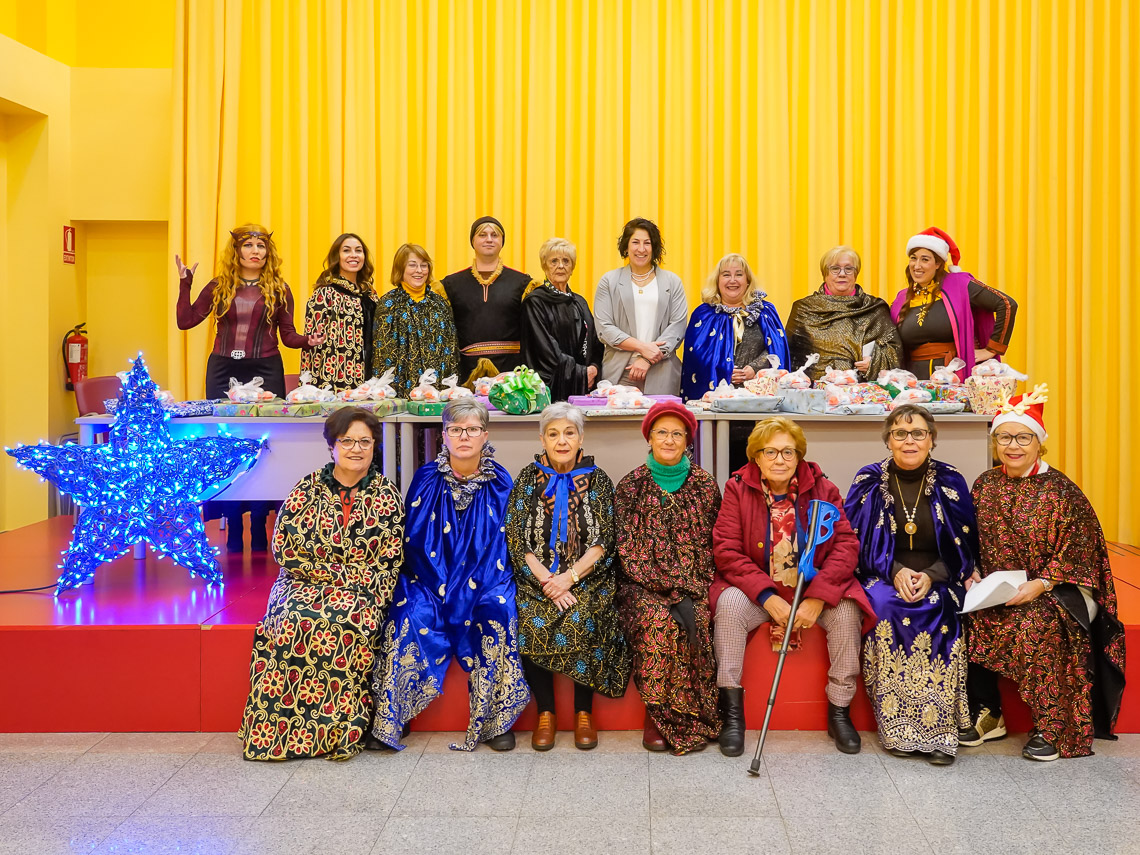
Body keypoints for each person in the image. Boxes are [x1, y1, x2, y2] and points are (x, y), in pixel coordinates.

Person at [964, 386, 1126, 760]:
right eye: (1004, 437)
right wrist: (971, 569)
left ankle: (1053, 727)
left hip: (1059, 588)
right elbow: (970, 537)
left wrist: (1041, 584)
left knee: (1034, 623)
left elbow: (1081, 550)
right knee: (965, 615)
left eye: (1023, 437)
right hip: (998, 586)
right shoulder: (985, 484)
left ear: (1039, 443)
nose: (1013, 446)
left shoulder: (1062, 491)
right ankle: (988, 713)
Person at [239, 407, 403, 761]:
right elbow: (284, 548)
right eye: (347, 441)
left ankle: (336, 734)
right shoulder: (307, 488)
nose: (356, 449)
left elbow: (389, 559)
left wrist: (338, 579)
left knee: (342, 622)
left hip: (364, 591)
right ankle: (276, 736)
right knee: (292, 621)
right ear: (332, 446)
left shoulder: (387, 494)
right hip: (301, 584)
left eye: (365, 442)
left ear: (374, 446)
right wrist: (335, 576)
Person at [371, 398, 530, 751]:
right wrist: (441, 583)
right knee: (409, 612)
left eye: (472, 429)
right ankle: (396, 714)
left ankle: (495, 721)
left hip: (486, 578)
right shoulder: (425, 478)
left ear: (485, 435)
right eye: (456, 429)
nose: (464, 436)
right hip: (429, 579)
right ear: (443, 435)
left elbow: (505, 543)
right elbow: (413, 540)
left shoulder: (502, 482)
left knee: (499, 609)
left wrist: (469, 585)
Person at [711, 416, 873, 756]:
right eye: (770, 452)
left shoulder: (824, 489)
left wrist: (818, 598)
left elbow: (845, 546)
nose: (780, 460)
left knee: (846, 612)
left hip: (813, 589)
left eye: (788, 452)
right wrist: (768, 597)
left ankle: (839, 712)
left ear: (799, 456)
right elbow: (727, 551)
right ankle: (732, 715)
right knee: (729, 606)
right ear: (756, 457)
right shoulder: (737, 488)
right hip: (759, 591)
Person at [844, 406, 980, 765]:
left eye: (918, 433)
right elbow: (854, 542)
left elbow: (965, 544)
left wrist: (932, 575)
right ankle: (898, 728)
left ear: (931, 439)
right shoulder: (868, 480)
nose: (909, 441)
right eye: (900, 433)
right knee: (887, 606)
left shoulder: (951, 480)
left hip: (940, 575)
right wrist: (896, 571)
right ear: (888, 440)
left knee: (940, 609)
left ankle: (940, 732)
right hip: (882, 573)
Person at [175, 224, 323, 552]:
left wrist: (308, 341)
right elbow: (185, 321)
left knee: (266, 444)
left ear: (268, 253)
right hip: (223, 369)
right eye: (248, 245)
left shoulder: (279, 289)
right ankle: (232, 523)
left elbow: (288, 336)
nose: (255, 251)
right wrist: (185, 283)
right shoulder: (218, 286)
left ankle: (258, 524)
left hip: (265, 368)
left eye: (261, 246)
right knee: (225, 443)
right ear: (237, 251)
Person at [505, 403, 630, 750]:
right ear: (542, 439)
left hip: (587, 577)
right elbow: (516, 537)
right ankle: (546, 712)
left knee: (584, 613)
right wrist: (548, 581)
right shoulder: (527, 479)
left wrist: (570, 578)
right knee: (529, 616)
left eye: (569, 433)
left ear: (581, 438)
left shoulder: (598, 479)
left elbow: (605, 540)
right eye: (554, 434)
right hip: (538, 579)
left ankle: (582, 713)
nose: (562, 441)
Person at [616, 401, 722, 754]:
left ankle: (692, 716)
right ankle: (657, 715)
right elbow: (626, 548)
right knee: (657, 620)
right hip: (642, 584)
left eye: (678, 433)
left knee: (696, 619)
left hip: (692, 582)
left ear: (688, 440)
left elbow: (712, 543)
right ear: (649, 437)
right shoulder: (631, 485)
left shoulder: (705, 485)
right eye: (661, 432)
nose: (669, 439)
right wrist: (665, 586)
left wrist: (687, 586)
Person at [890, 227, 1017, 380]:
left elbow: (1006, 304)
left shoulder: (959, 285)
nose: (917, 266)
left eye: (925, 259)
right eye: (913, 258)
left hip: (954, 378)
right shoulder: (901, 298)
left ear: (938, 263)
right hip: (913, 384)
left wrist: (991, 349)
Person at [593, 218, 688, 395]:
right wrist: (641, 347)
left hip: (661, 369)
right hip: (620, 371)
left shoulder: (672, 282)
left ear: (654, 247)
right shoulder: (609, 281)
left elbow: (678, 326)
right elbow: (604, 328)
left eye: (647, 243)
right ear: (626, 246)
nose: (641, 249)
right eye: (635, 242)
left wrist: (647, 358)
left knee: (661, 414)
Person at [784, 246, 902, 383]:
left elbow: (895, 350)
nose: (842, 274)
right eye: (835, 269)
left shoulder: (875, 308)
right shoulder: (804, 309)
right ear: (825, 274)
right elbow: (791, 356)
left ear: (856, 274)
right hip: (815, 391)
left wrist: (875, 362)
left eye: (848, 269)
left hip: (862, 391)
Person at [681, 253, 789, 401]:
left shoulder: (765, 311)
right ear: (717, 281)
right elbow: (696, 356)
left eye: (739, 274)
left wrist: (755, 368)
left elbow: (777, 347)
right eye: (726, 275)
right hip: (715, 398)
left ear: (748, 281)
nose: (732, 280)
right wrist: (723, 370)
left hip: (758, 397)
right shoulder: (703, 314)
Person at [442, 217, 535, 380]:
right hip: (466, 374)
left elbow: (531, 334)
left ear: (502, 241)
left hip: (511, 375)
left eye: (494, 235)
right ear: (473, 241)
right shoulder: (451, 285)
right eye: (482, 235)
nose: (489, 239)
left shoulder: (523, 284)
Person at [372, 243, 459, 398]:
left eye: (424, 265)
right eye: (412, 265)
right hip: (399, 391)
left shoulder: (440, 304)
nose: (419, 270)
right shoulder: (388, 304)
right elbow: (381, 354)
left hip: (436, 392)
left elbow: (451, 350)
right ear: (400, 269)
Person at [520, 238, 602, 401]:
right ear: (545, 266)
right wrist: (581, 373)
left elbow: (595, 341)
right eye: (554, 261)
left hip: (585, 385)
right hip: (550, 389)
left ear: (572, 267)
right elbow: (545, 350)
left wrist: (594, 367)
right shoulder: (535, 302)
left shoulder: (579, 302)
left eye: (566, 261)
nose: (561, 266)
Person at [300, 233, 378, 392]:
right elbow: (312, 347)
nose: (354, 255)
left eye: (358, 250)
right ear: (337, 256)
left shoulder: (370, 294)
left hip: (369, 374)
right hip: (336, 375)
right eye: (346, 250)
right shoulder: (325, 293)